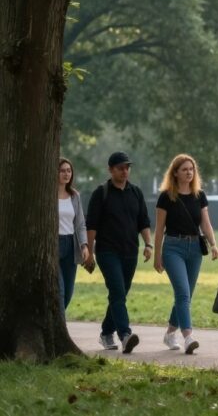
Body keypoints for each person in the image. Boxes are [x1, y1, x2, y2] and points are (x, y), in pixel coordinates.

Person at [153, 154, 218, 354]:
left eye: (191, 169)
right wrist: (158, 255)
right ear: (175, 173)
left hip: (194, 249)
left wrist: (214, 244)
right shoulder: (166, 196)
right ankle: (188, 336)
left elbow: (205, 223)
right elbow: (159, 229)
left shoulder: (199, 195)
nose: (189, 172)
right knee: (182, 293)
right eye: (184, 169)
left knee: (186, 295)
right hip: (173, 247)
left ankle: (169, 334)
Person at [87, 151, 152, 353]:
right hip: (107, 252)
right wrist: (89, 253)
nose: (125, 171)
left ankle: (106, 333)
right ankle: (125, 335)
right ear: (111, 170)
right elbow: (92, 225)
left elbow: (143, 221)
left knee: (120, 294)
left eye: (127, 167)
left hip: (130, 251)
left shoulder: (136, 192)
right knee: (117, 291)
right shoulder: (101, 192)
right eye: (120, 168)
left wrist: (148, 244)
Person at [57, 157, 91, 312]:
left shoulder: (74, 196)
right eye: (62, 171)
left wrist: (84, 245)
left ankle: (56, 324)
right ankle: (59, 327)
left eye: (69, 171)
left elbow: (80, 224)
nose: (66, 174)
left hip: (71, 245)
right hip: (54, 245)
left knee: (68, 293)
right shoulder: (48, 195)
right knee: (60, 291)